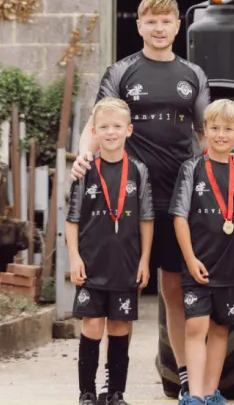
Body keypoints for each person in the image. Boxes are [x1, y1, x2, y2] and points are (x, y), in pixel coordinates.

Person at [71, 0, 211, 401]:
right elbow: (97, 124)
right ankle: (112, 388)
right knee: (124, 292)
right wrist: (83, 156)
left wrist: (224, 170)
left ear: (177, 26)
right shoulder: (121, 71)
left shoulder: (193, 74)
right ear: (139, 26)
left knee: (173, 291)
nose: (159, 28)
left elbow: (206, 133)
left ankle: (184, 377)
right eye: (151, 21)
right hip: (127, 202)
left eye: (166, 22)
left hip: (177, 198)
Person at [169, 99, 234, 405]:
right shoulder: (191, 169)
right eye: (215, 128)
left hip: (230, 266)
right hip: (197, 264)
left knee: (221, 328)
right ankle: (194, 395)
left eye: (228, 129)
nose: (221, 135)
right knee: (196, 326)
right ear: (205, 131)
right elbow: (179, 217)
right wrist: (190, 258)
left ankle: (211, 394)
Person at [66, 98, 154, 405]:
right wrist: (74, 258)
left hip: (126, 264)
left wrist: (144, 260)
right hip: (92, 264)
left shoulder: (139, 171)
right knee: (92, 325)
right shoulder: (85, 170)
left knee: (119, 327)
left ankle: (115, 393)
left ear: (129, 130)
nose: (111, 132)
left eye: (117, 126)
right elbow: (72, 220)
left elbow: (146, 219)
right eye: (104, 127)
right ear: (94, 131)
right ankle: (87, 393)